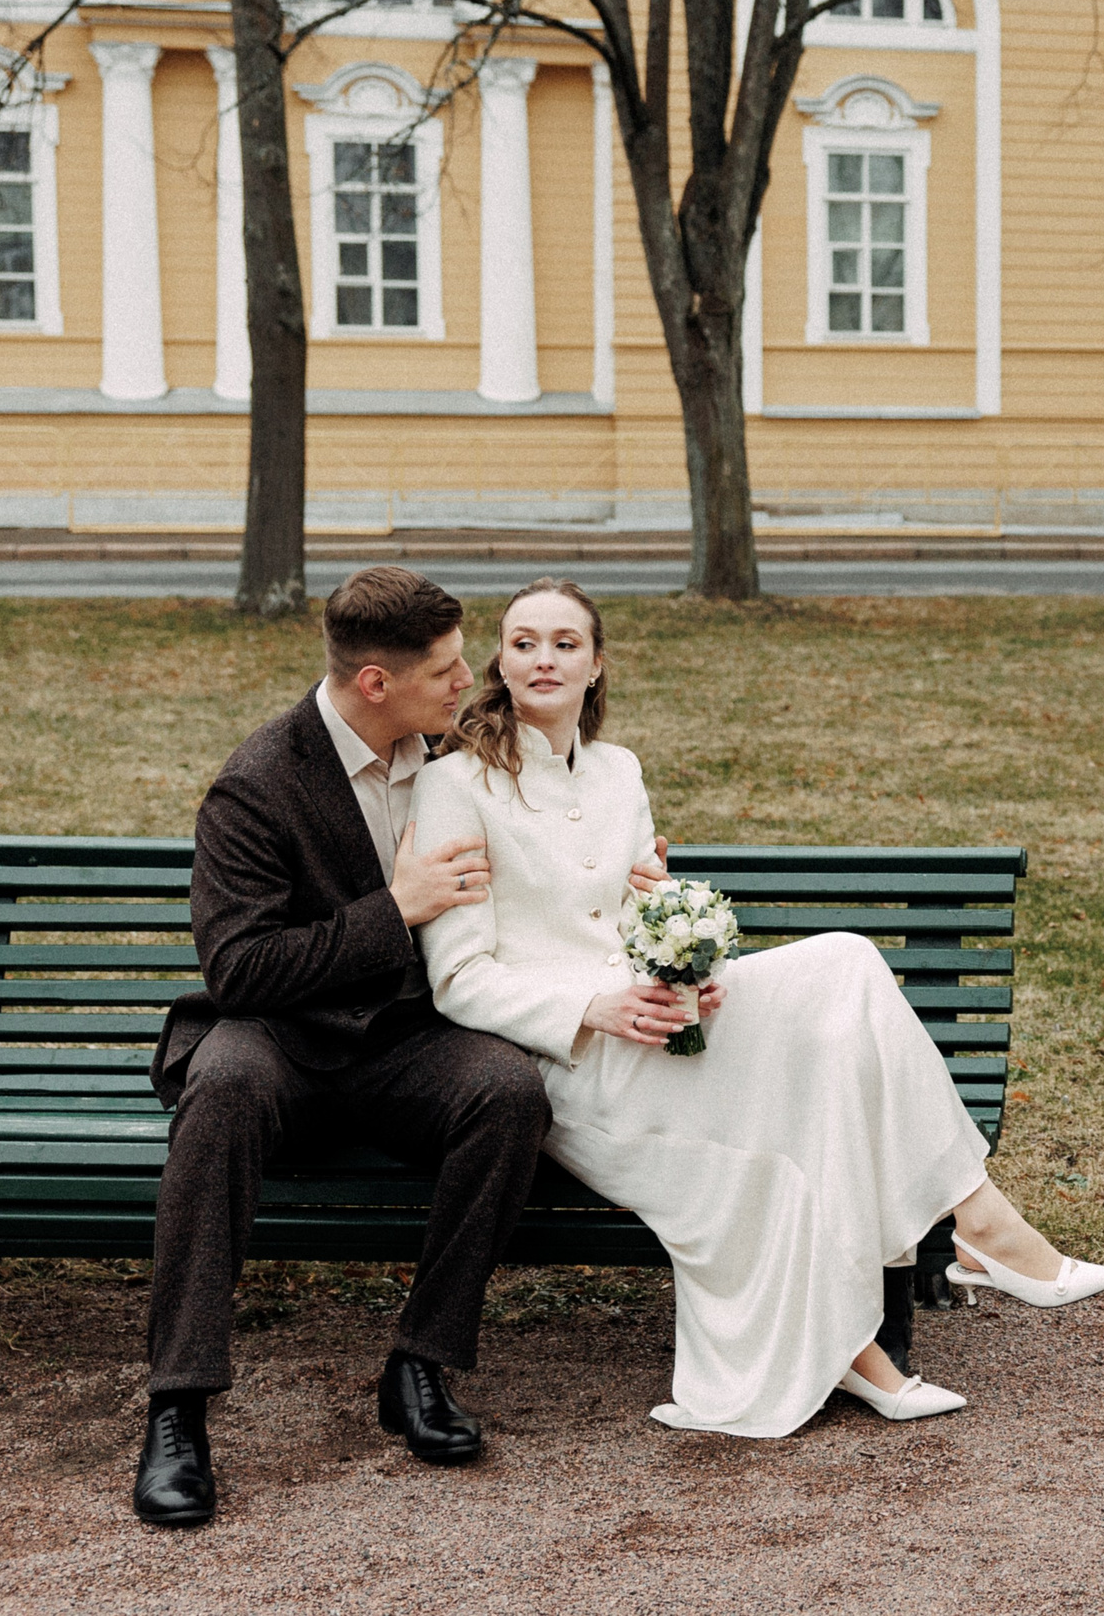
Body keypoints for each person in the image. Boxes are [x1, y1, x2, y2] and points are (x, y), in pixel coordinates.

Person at [409, 578, 1104, 1438]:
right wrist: (596, 1005)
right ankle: (970, 1228)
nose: (543, 658)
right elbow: (458, 977)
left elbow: (639, 912)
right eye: (524, 642)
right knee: (833, 1008)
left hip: (665, 1027)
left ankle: (905, 1294)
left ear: (598, 665)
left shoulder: (617, 770)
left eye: (566, 642)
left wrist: (689, 962)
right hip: (574, 1064)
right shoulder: (458, 784)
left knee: (841, 1001)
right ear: (500, 659)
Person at [134, 568, 667, 1527]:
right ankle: (178, 1408)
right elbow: (241, 972)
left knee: (507, 1095)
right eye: (447, 669)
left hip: (408, 1040)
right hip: (281, 1035)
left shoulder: (456, 753)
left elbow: (558, 828)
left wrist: (630, 878)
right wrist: (397, 911)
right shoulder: (259, 783)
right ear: (376, 683)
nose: (471, 681)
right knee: (218, 1099)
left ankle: (421, 1363)